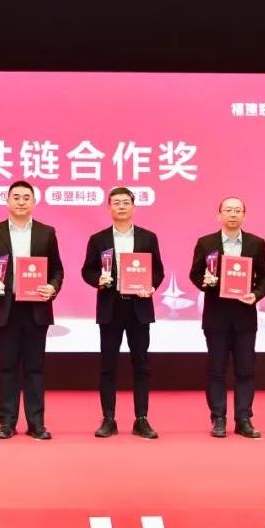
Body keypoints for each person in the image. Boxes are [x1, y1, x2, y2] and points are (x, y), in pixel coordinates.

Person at [0, 180, 63, 440]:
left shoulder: (46, 233)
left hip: (36, 308)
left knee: (35, 368)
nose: (21, 202)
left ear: (34, 202)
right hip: (6, 307)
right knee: (7, 368)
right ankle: (7, 423)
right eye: (16, 197)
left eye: (26, 197)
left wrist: (52, 287)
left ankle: (36, 423)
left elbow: (57, 269)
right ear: (7, 201)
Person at [80, 187, 163, 439]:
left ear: (134, 207)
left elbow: (158, 271)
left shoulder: (148, 238)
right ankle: (108, 418)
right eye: (116, 203)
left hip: (139, 307)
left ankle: (141, 419)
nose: (121, 207)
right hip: (111, 306)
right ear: (109, 208)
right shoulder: (99, 239)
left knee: (141, 365)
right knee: (108, 365)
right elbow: (87, 270)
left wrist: (151, 286)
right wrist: (98, 279)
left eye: (126, 202)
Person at [189, 197, 265, 439]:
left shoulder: (256, 243)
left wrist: (256, 294)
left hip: (245, 316)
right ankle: (218, 417)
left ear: (244, 215)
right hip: (216, 315)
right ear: (219, 215)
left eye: (237, 210)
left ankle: (243, 418)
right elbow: (195, 274)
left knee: (245, 369)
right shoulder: (206, 243)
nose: (233, 214)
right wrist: (205, 282)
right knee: (216, 369)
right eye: (228, 210)